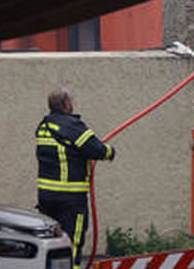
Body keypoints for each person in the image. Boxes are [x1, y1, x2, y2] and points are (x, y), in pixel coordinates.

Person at [35, 87, 115, 269]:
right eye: (70, 101)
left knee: (51, 241)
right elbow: (97, 149)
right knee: (72, 241)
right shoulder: (71, 126)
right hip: (70, 199)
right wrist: (110, 152)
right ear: (66, 104)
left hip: (46, 198)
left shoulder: (43, 127)